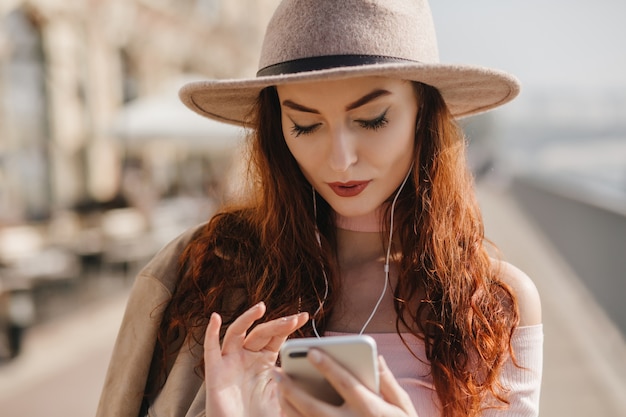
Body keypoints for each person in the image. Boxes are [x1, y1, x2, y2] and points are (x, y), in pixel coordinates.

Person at [96, 1, 543, 416]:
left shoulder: (491, 302)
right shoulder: (210, 272)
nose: (339, 159)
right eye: (305, 125)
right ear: (277, 129)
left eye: (372, 119)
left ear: (423, 114)